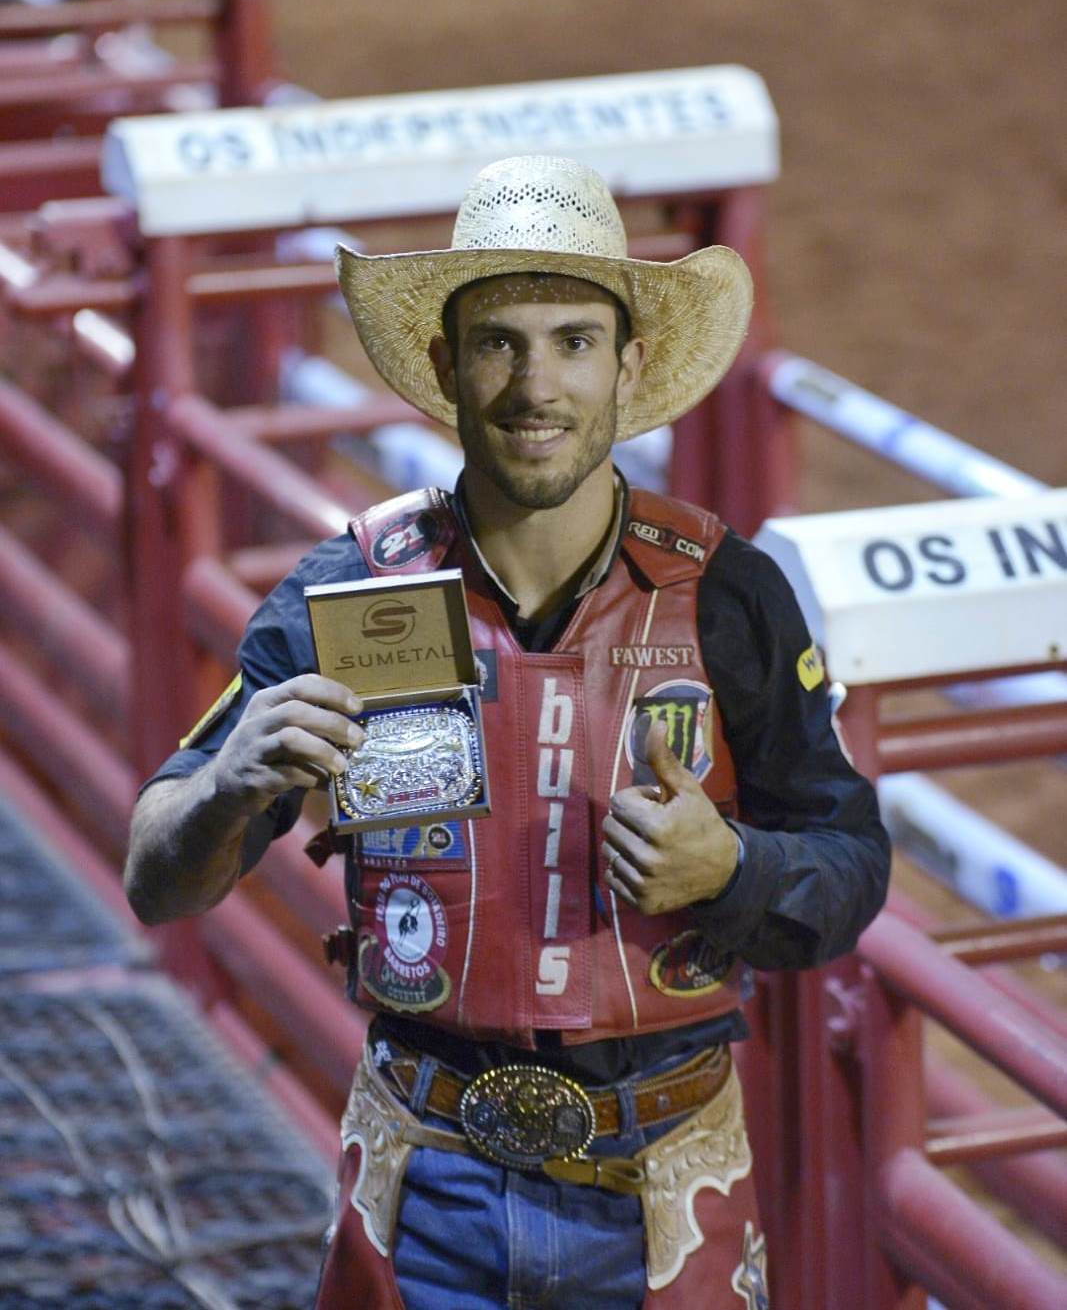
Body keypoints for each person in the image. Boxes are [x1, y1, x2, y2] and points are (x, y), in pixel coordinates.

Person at [125, 154, 890, 1309]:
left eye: (573, 341)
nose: (537, 384)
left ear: (627, 366)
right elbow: (156, 877)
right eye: (498, 342)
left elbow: (851, 866)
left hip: (662, 1182)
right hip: (419, 1187)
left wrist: (731, 868)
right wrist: (231, 780)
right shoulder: (343, 589)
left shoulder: (730, 596)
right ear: (444, 365)